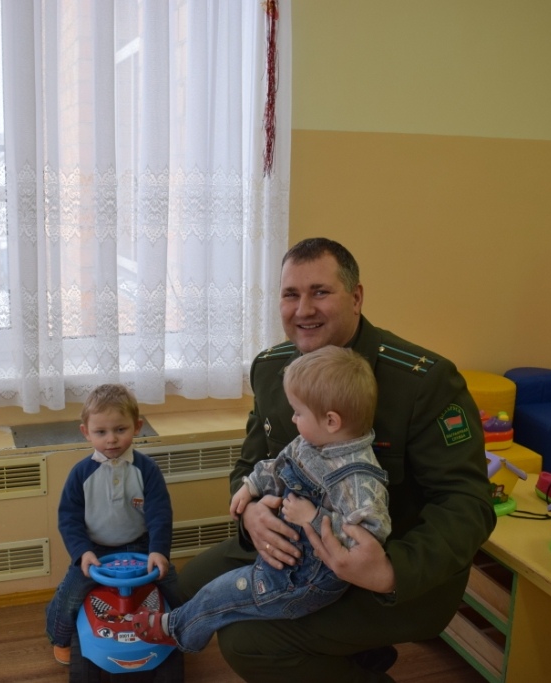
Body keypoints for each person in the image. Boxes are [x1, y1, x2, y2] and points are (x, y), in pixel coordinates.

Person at [178, 237, 497, 682]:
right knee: (186, 585)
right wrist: (251, 513)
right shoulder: (271, 369)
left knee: (248, 642)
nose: (303, 309)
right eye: (291, 294)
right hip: (295, 545)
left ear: (356, 297)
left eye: (320, 292)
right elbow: (249, 465)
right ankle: (354, 659)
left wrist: (390, 570)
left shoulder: (423, 382)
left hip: (384, 566)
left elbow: (468, 504)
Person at [128, 345, 391, 652]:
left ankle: (174, 629)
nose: (293, 418)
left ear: (331, 421)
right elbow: (277, 466)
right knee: (209, 585)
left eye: (298, 412)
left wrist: (313, 518)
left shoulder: (359, 479)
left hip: (307, 581)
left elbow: (366, 541)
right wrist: (251, 487)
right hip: (284, 555)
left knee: (221, 597)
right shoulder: (311, 441)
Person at [45, 383, 182, 665]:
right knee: (70, 594)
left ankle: (185, 630)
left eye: (120, 429)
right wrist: (82, 552)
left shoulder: (147, 470)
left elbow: (160, 513)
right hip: (96, 550)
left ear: (137, 427)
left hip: (141, 546)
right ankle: (60, 638)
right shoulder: (80, 473)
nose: (111, 439)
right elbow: (68, 519)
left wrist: (158, 551)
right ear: (86, 432)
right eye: (101, 432)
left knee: (175, 587)